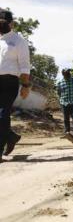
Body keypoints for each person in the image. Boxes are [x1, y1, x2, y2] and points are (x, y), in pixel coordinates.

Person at [0, 9, 31, 160]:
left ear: (11, 23)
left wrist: (25, 85)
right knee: (2, 115)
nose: (1, 25)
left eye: (3, 22)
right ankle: (11, 137)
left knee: (2, 113)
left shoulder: (19, 41)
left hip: (10, 82)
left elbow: (25, 65)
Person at [57, 68, 73, 134]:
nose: (68, 74)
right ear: (63, 74)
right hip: (64, 102)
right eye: (66, 73)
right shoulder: (60, 82)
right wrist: (63, 99)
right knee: (66, 118)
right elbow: (59, 92)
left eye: (69, 73)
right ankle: (67, 131)